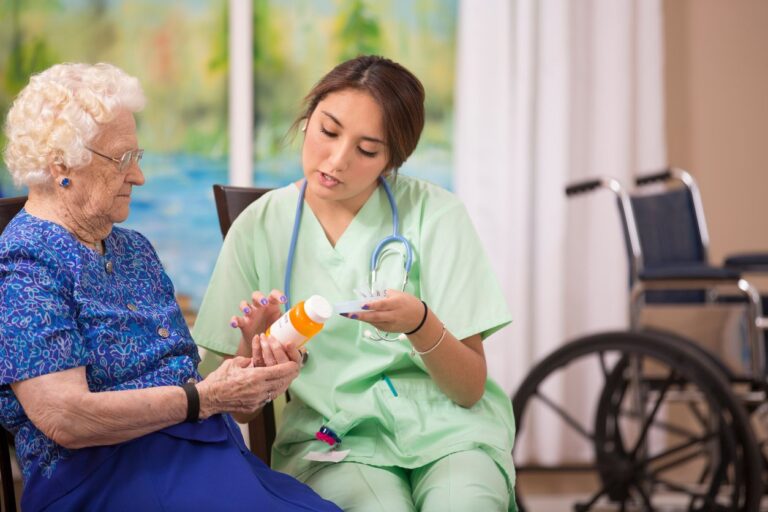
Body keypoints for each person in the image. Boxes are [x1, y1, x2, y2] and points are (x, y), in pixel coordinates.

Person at [0, 63, 341, 512]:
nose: (138, 177)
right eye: (123, 160)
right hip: (106, 479)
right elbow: (66, 417)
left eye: (136, 158)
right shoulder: (24, 264)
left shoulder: (134, 249)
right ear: (62, 165)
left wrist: (248, 362)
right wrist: (205, 398)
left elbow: (188, 392)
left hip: (204, 458)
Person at [193, 55, 516, 511]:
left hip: (451, 434)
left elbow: (468, 389)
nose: (337, 160)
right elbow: (237, 410)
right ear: (308, 119)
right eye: (328, 131)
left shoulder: (438, 216)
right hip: (335, 443)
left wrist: (419, 322)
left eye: (367, 151)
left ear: (392, 160)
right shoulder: (260, 228)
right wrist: (254, 352)